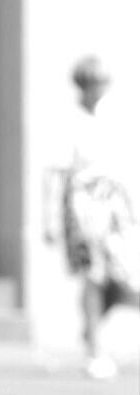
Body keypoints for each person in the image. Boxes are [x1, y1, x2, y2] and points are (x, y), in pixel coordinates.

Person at [45, 54, 140, 378]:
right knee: (93, 274)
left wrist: (129, 206)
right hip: (82, 206)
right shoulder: (71, 122)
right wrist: (49, 218)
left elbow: (121, 167)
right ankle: (96, 350)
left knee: (122, 276)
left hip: (112, 206)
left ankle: (92, 326)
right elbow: (55, 173)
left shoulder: (111, 118)